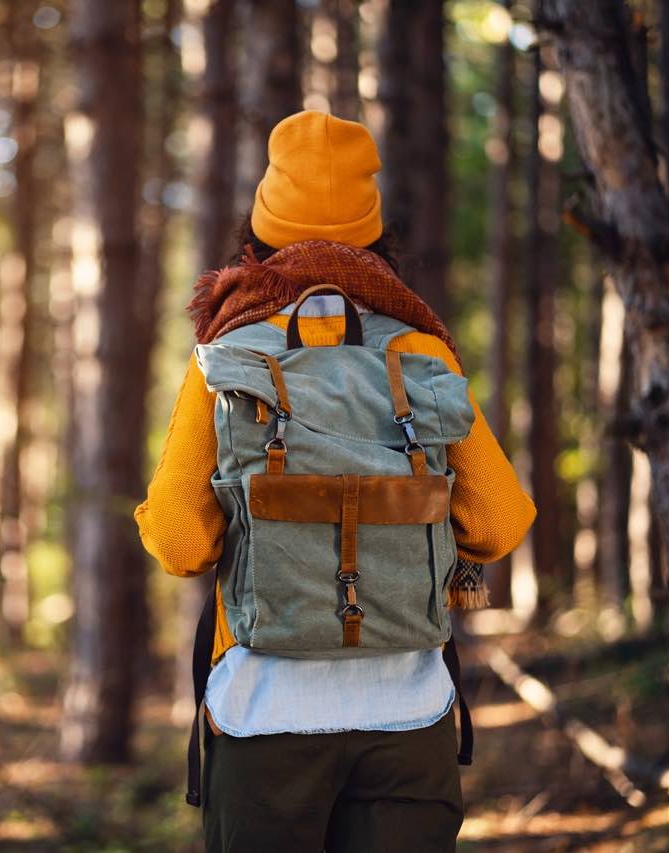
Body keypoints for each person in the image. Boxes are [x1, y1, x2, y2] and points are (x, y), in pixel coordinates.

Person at [135, 110, 536, 853]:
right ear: (378, 241)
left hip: (264, 716)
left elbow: (179, 541)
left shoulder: (228, 356)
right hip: (408, 712)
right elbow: (499, 521)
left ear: (253, 242)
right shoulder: (422, 351)